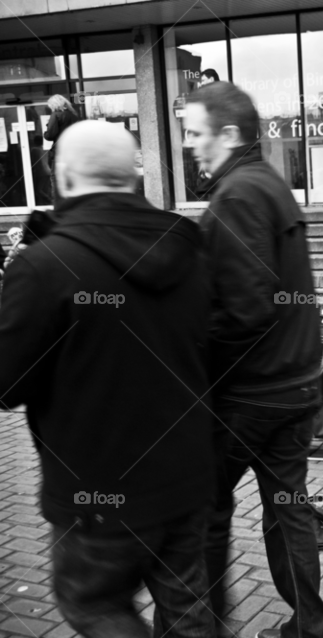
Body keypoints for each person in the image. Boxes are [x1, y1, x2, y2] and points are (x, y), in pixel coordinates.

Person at [0, 120, 214, 637]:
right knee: (189, 615)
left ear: (64, 177)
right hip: (187, 479)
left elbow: (8, 384)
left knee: (92, 603)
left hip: (96, 493)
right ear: (131, 176)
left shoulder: (45, 266)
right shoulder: (192, 248)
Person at [183, 82, 323, 638]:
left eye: (195, 134)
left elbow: (246, 309)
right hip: (294, 384)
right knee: (288, 508)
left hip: (249, 395)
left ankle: (202, 625)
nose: (191, 146)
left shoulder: (238, 196)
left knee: (203, 512)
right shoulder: (269, 184)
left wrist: (193, 356)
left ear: (229, 133)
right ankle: (309, 627)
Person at [43, 94, 80, 204]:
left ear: (54, 105)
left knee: (57, 181)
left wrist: (46, 131)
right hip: (74, 152)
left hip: (60, 153)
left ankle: (59, 208)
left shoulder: (56, 115)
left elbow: (50, 135)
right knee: (72, 180)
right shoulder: (74, 115)